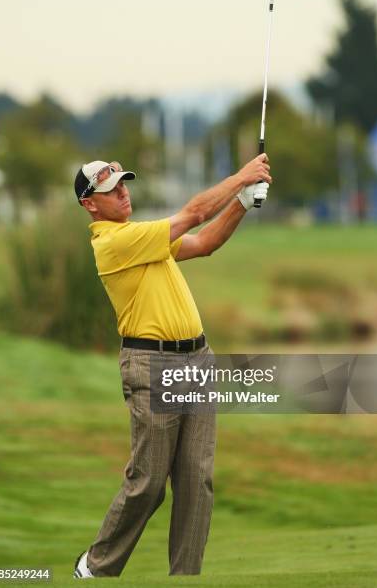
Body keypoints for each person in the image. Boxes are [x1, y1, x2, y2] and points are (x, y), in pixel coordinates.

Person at [73, 154, 272, 579]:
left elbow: (204, 243)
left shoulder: (139, 237)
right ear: (90, 204)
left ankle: (186, 577)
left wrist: (241, 202)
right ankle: (95, 567)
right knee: (148, 484)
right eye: (111, 191)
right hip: (152, 363)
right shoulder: (113, 243)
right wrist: (241, 177)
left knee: (196, 482)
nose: (123, 192)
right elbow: (195, 214)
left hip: (196, 360)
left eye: (124, 184)